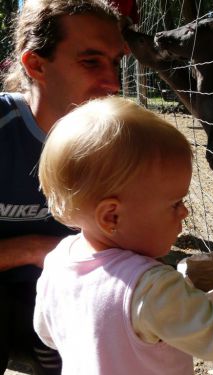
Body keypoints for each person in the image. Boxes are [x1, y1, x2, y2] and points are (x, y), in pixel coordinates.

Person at [33, 96, 213, 375]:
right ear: (112, 217)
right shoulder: (149, 288)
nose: (185, 212)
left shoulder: (57, 260)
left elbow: (46, 332)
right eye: (175, 203)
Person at [0, 1, 127, 373]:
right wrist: (34, 248)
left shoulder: (114, 145)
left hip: (56, 296)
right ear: (36, 65)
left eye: (116, 62)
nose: (114, 84)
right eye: (91, 61)